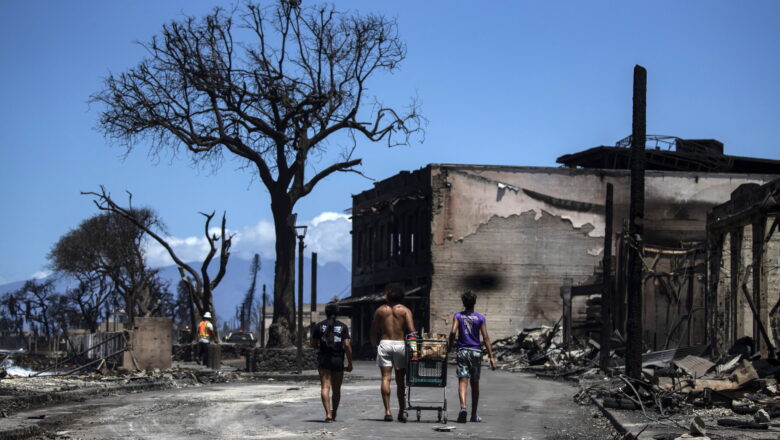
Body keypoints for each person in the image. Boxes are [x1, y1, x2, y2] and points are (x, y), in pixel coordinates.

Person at [447, 290, 496, 423]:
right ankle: (474, 415)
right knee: (475, 383)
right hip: (475, 352)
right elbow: (485, 337)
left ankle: (463, 407)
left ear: (463, 303)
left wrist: (450, 346)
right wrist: (491, 357)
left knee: (463, 381)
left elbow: (452, 332)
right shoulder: (480, 318)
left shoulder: (458, 316)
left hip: (462, 351)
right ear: (474, 302)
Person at [370, 283, 416, 422]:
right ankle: (402, 411)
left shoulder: (380, 310)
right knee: (400, 380)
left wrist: (375, 346)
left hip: (385, 343)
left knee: (385, 378)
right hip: (400, 344)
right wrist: (415, 350)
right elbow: (412, 330)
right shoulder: (405, 311)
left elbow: (373, 332)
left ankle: (388, 411)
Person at [311, 303, 353, 423]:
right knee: (336, 389)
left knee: (325, 387)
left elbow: (313, 344)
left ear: (326, 312)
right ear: (337, 313)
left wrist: (321, 345)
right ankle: (334, 413)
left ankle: (328, 414)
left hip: (324, 359)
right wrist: (350, 363)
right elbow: (347, 345)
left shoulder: (319, 326)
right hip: (338, 360)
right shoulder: (343, 327)